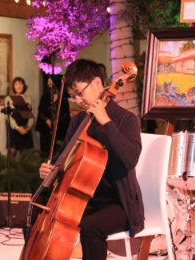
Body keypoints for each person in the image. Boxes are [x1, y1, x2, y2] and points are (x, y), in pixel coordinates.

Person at [39, 59, 144, 260]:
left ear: (97, 83)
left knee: (90, 227)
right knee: (40, 217)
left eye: (80, 93)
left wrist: (105, 121)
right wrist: (50, 169)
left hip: (119, 203)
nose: (78, 100)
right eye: (73, 97)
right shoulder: (78, 121)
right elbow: (63, 159)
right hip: (82, 199)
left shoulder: (125, 120)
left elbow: (130, 159)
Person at [35, 76, 70, 156]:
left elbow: (66, 113)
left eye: (51, 82)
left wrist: (57, 121)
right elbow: (41, 111)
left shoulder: (63, 97)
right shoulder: (45, 96)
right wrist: (47, 120)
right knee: (45, 151)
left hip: (59, 128)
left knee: (58, 150)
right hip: (46, 128)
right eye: (48, 81)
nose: (49, 83)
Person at [4, 77, 34, 156]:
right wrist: (17, 128)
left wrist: (28, 127)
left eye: (20, 84)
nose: (18, 86)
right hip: (14, 129)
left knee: (24, 157)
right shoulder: (8, 99)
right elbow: (8, 116)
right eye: (16, 84)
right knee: (12, 154)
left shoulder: (29, 99)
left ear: (24, 86)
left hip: (25, 129)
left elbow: (32, 115)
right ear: (13, 86)